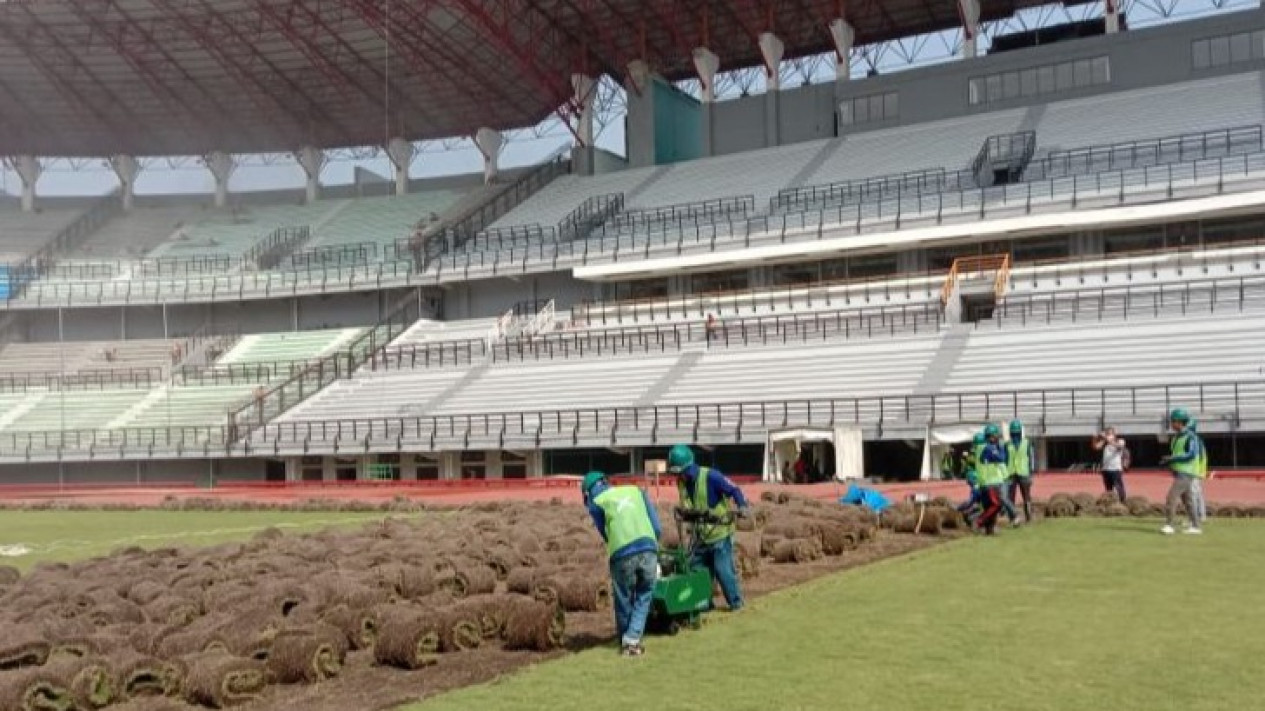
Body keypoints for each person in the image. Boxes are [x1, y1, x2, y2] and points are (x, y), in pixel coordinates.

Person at [582, 471, 661, 657]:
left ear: (587, 493)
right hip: (648, 547)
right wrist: (652, 543)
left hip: (622, 553)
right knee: (644, 594)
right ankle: (633, 638)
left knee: (623, 597)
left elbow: (605, 532)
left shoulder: (597, 502)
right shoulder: (636, 491)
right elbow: (657, 527)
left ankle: (627, 640)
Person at [667, 444, 750, 611]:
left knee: (723, 571)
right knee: (697, 571)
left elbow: (734, 489)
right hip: (700, 535)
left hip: (719, 532)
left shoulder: (712, 476)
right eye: (676, 474)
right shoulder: (681, 482)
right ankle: (704, 605)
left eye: (681, 473)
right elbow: (687, 503)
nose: (679, 477)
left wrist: (742, 506)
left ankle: (736, 604)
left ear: (689, 468)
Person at [1159, 409, 1205, 535]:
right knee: (1188, 500)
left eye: (1173, 421)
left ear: (1180, 422)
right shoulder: (1175, 438)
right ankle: (1195, 526)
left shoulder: (1191, 437)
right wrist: (1168, 461)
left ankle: (1169, 525)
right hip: (1179, 472)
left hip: (1186, 472)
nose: (1171, 424)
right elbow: (1177, 453)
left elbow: (1191, 454)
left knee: (1171, 497)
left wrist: (1173, 458)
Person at [975, 425, 1010, 535]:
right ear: (990, 436)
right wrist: (1002, 447)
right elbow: (1001, 458)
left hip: (984, 482)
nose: (997, 438)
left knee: (988, 507)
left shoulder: (980, 448)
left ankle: (989, 530)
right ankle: (979, 521)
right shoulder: (990, 448)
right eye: (995, 436)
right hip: (991, 482)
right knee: (997, 505)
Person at [1006, 419, 1036, 523]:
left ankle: (1029, 516)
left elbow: (1031, 457)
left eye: (1016, 432)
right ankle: (1012, 518)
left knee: (1026, 496)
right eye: (1013, 433)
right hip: (1011, 473)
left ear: (1020, 432)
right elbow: (1005, 459)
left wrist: (1031, 472)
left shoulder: (1027, 443)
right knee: (1011, 497)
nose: (1015, 435)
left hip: (1024, 472)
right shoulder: (1007, 444)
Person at [1092, 427, 1128, 503]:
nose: (1108, 435)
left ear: (1114, 434)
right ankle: (1110, 502)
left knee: (1119, 487)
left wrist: (1106, 438)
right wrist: (1094, 438)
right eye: (1107, 433)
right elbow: (1096, 447)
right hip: (1106, 469)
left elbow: (1119, 446)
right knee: (1108, 489)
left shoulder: (1120, 441)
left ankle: (1123, 501)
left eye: (1110, 433)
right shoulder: (1105, 443)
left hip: (1115, 469)